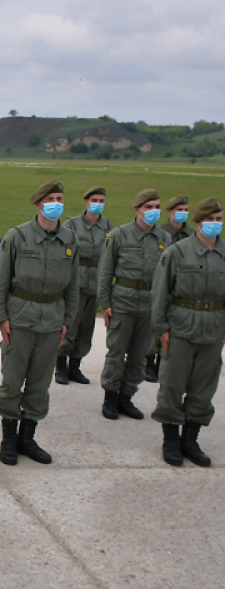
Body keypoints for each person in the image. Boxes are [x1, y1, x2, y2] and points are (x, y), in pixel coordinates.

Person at [0, 181, 79, 466]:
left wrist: (67, 320)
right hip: (20, 319)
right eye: (51, 198)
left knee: (40, 383)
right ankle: (8, 439)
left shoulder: (70, 239)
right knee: (13, 382)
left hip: (52, 320)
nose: (56, 203)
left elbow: (73, 286)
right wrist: (1, 318)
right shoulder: (17, 237)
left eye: (60, 198)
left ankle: (27, 438)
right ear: (39, 204)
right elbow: (0, 281)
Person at [151, 198, 225, 467]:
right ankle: (171, 440)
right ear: (198, 222)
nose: (216, 224)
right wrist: (161, 328)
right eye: (211, 219)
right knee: (172, 385)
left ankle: (190, 440)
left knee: (203, 388)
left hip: (213, 330)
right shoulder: (177, 252)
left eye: (219, 219)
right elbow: (160, 294)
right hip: (181, 329)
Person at [96, 189, 170, 420]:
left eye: (157, 206)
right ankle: (110, 397)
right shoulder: (119, 235)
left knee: (140, 355)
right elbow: (105, 271)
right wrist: (105, 302)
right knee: (117, 352)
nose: (154, 211)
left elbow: (167, 278)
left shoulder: (164, 239)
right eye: (149, 207)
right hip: (123, 303)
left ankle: (126, 397)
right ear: (138, 209)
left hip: (149, 305)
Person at [56, 186, 110, 385]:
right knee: (71, 324)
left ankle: (75, 366)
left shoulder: (107, 226)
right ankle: (60, 365)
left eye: (101, 200)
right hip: (76, 282)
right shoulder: (73, 225)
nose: (98, 204)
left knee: (87, 327)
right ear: (86, 202)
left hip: (95, 283)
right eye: (94, 200)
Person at [147, 195, 195, 382]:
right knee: (156, 322)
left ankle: (162, 359)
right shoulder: (160, 232)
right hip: (160, 283)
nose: (182, 213)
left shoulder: (191, 234)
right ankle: (149, 359)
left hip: (180, 284)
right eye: (179, 209)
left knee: (171, 323)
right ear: (169, 211)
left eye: (185, 210)